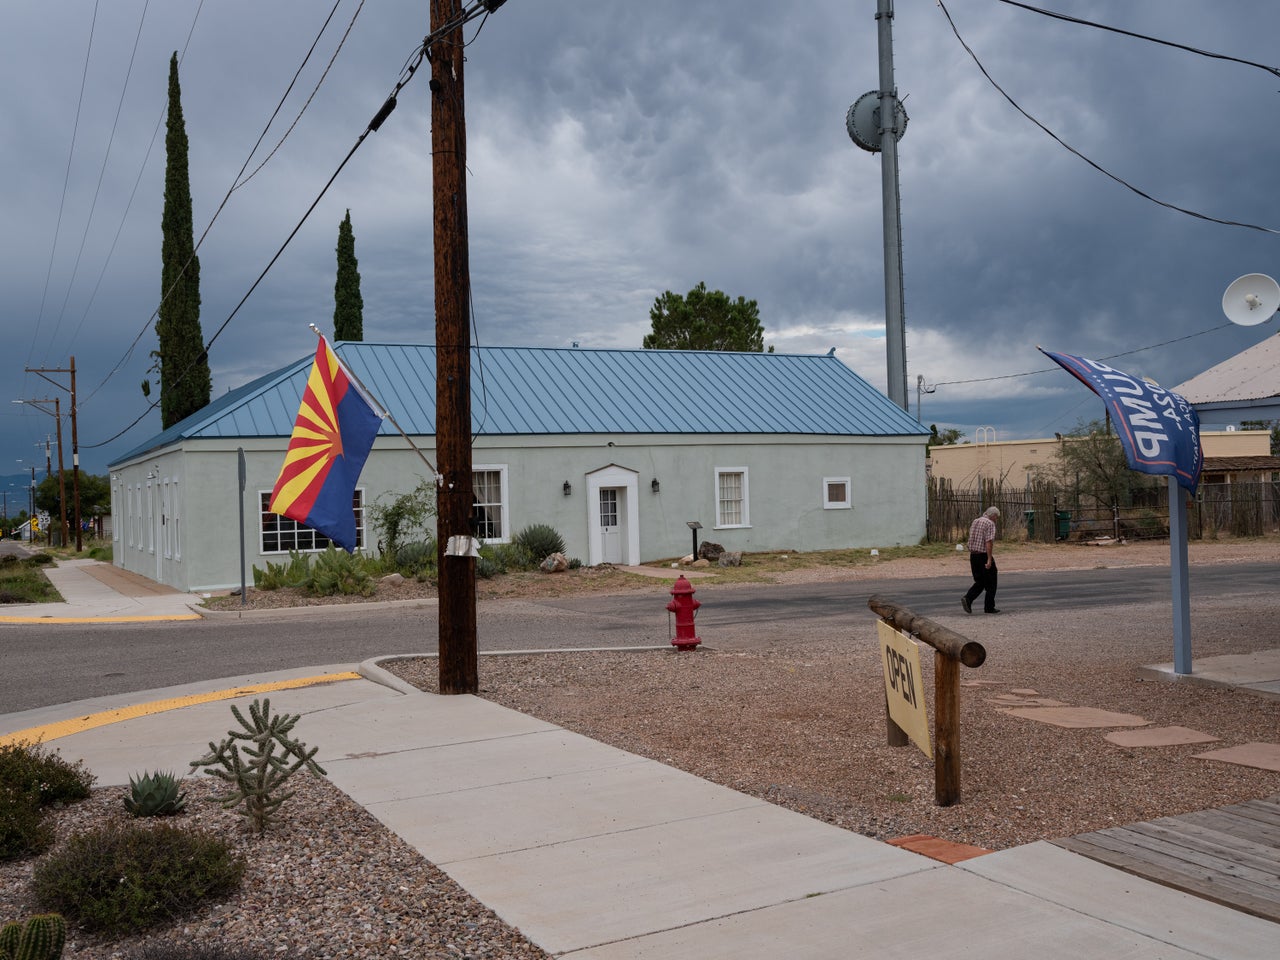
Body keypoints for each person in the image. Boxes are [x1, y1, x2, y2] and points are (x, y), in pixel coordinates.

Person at [961, 506, 1000, 614]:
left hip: (973, 555)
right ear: (993, 516)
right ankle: (989, 607)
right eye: (996, 517)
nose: (996, 520)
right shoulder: (990, 524)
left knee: (980, 581)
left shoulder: (976, 521)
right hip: (983, 554)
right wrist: (989, 559)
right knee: (991, 581)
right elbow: (989, 542)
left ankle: (968, 598)